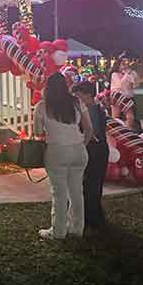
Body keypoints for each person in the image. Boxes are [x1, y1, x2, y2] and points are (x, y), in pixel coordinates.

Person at [33, 72, 93, 241]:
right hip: (79, 150)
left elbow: (37, 133)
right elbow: (89, 129)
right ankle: (77, 229)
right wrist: (82, 144)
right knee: (77, 192)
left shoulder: (42, 106)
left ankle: (58, 232)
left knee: (59, 193)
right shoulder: (77, 102)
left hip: (56, 151)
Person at [72, 81, 109, 230]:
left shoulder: (90, 111)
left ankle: (92, 218)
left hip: (95, 150)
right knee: (93, 185)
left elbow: (92, 134)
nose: (76, 100)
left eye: (78, 96)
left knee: (90, 186)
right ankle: (95, 217)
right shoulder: (97, 107)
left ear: (87, 95)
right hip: (100, 150)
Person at [109, 54, 138, 127]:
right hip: (117, 96)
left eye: (127, 63)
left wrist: (132, 77)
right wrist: (126, 75)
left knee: (130, 117)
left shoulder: (131, 73)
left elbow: (135, 85)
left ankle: (128, 129)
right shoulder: (114, 74)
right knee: (116, 117)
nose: (125, 65)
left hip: (128, 97)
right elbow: (119, 85)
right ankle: (116, 130)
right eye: (123, 64)